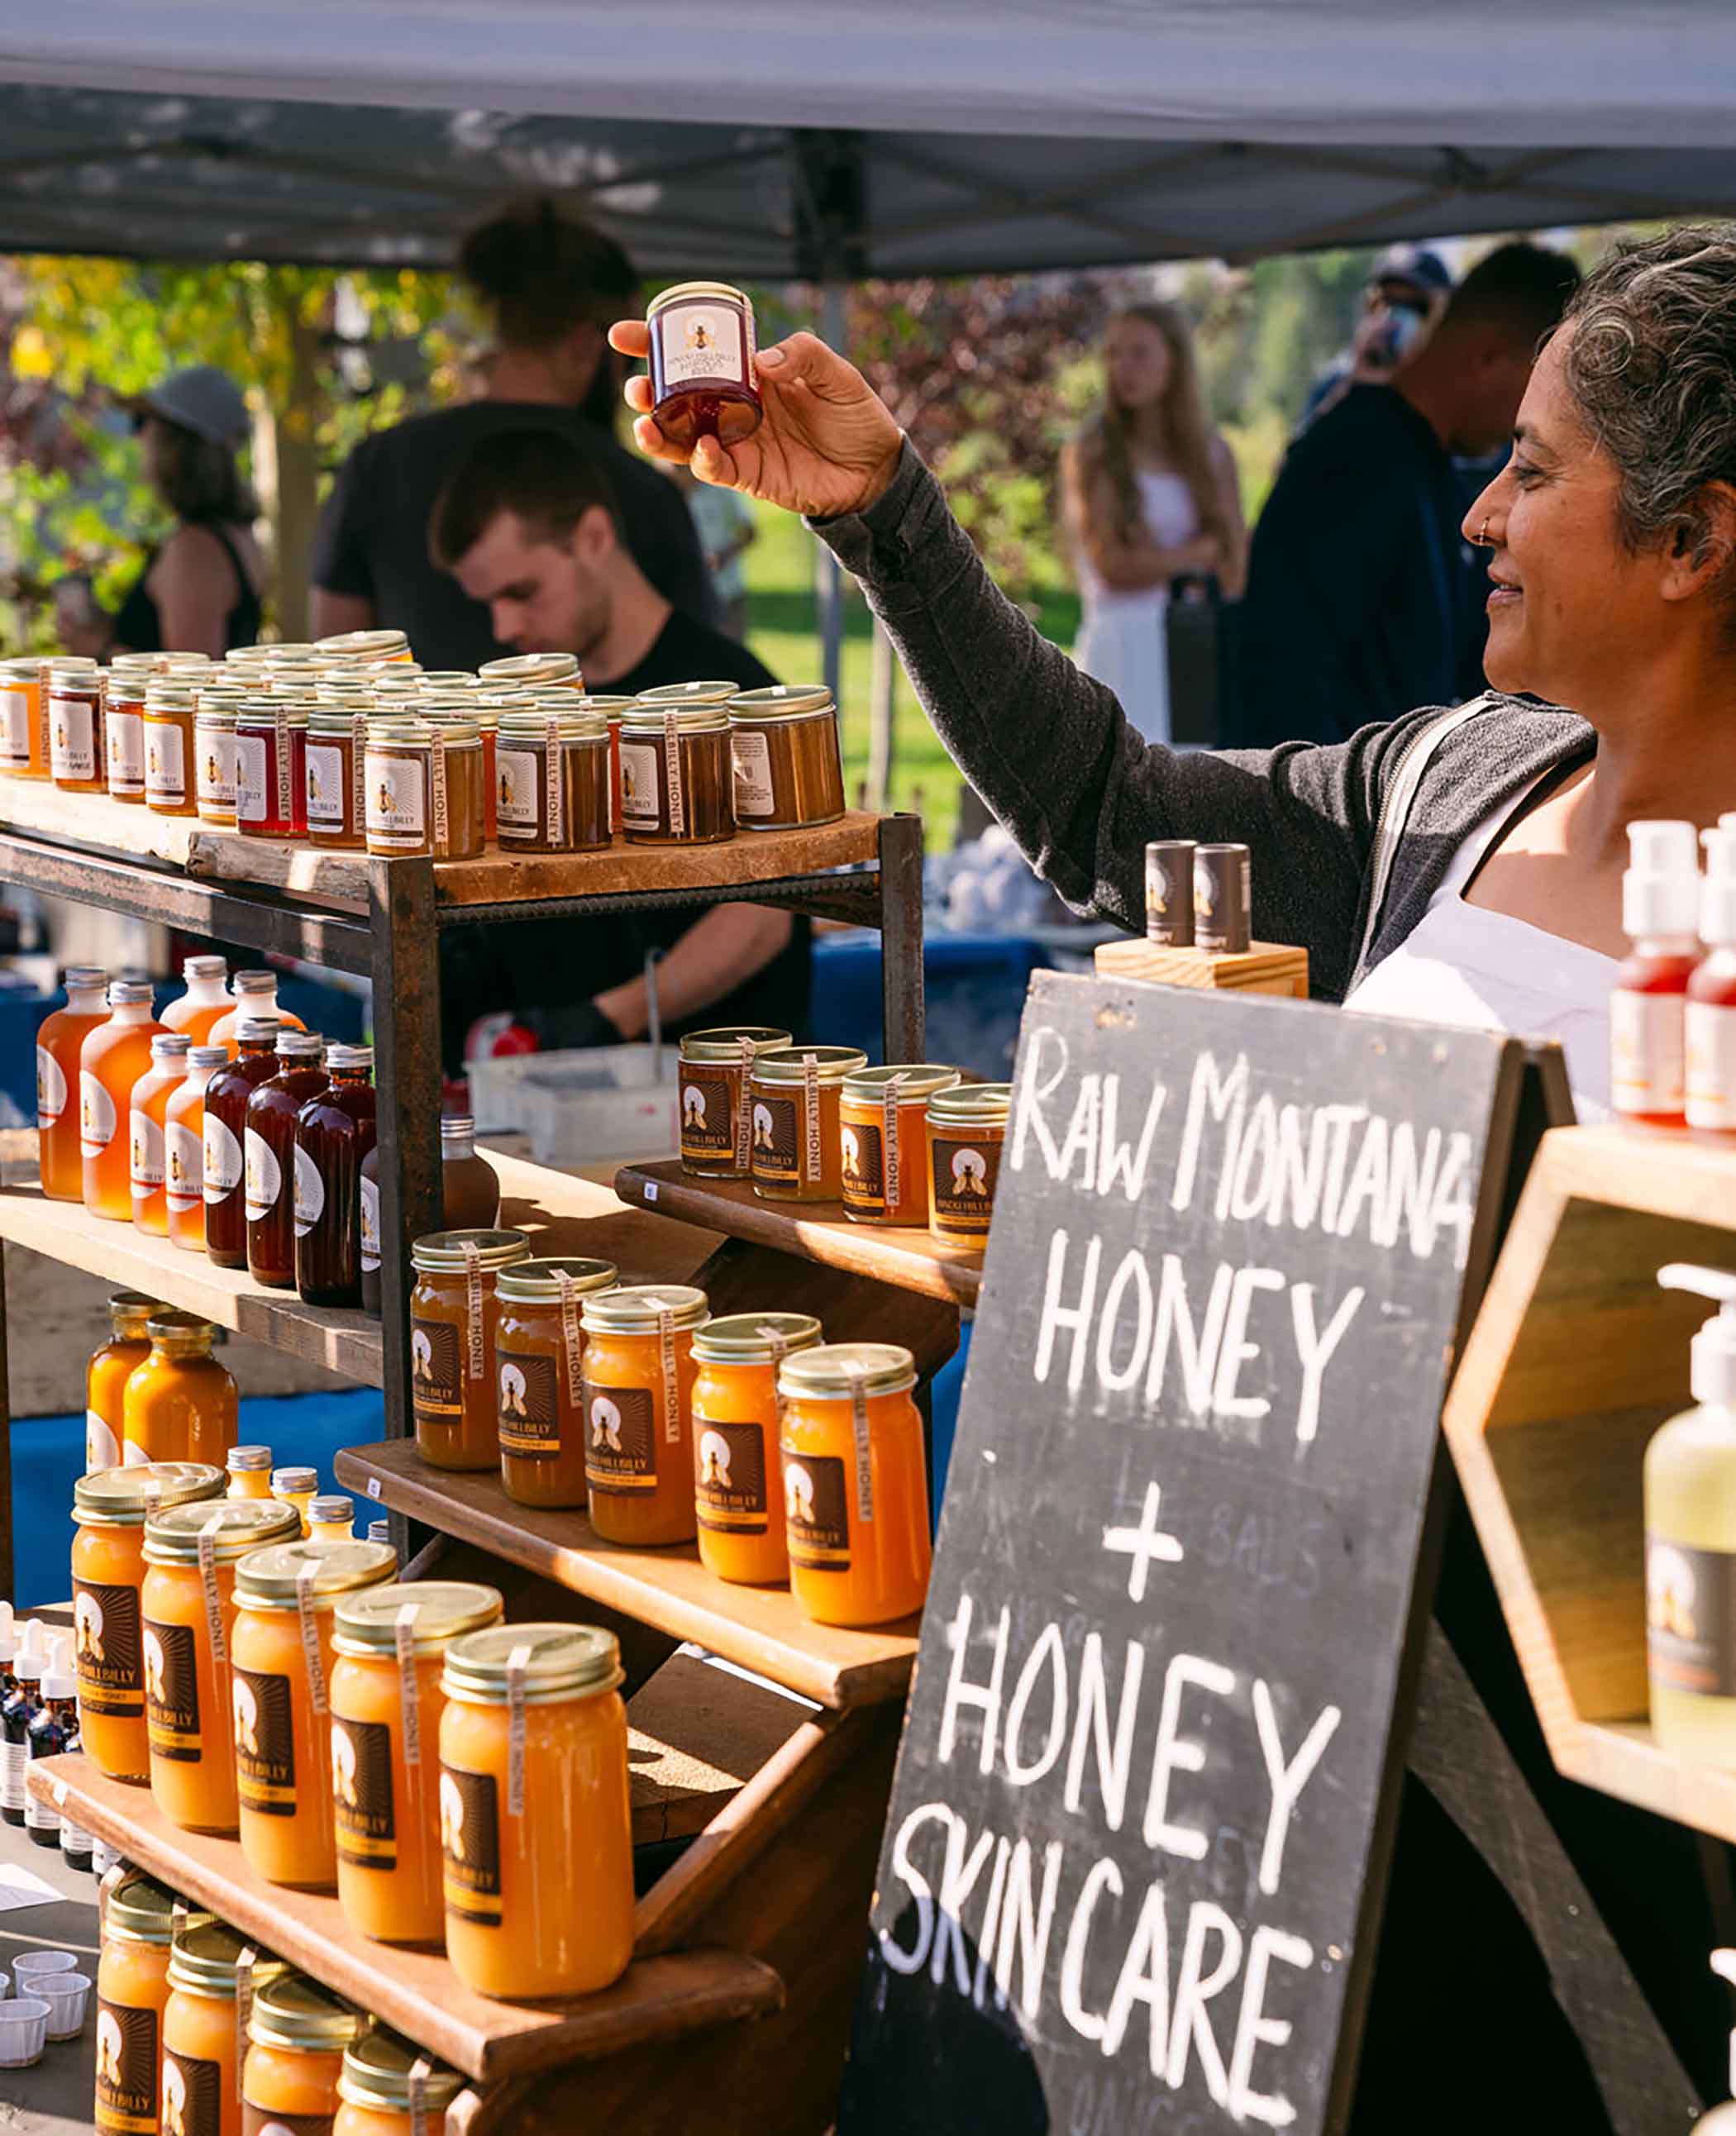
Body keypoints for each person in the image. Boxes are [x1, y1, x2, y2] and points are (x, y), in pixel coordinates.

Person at [607, 226, 1736, 2124]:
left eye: (1534, 473)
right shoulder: (1462, 782)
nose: (1478, 516)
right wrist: (881, 516)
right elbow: (1107, 811)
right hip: (1277, 1745)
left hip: (1598, 1807)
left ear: (1695, 539)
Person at [427, 425, 808, 1067]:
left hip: (706, 1088)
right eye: (487, 602)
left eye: (521, 592)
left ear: (594, 537)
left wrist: (609, 1018)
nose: (504, 625)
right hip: (540, 1088)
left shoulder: (727, 693)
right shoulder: (516, 713)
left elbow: (765, 916)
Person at [310, 195, 713, 667]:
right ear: (587, 344)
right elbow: (693, 667)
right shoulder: (644, 491)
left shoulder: (379, 464)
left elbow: (336, 658)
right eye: (625, 360)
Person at [1236, 241, 1580, 749]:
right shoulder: (1354, 460)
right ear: (1486, 357)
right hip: (1338, 785)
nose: (1534, 419)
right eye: (1536, 390)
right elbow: (1285, 667)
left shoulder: (1428, 466)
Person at [1060, 301, 1246, 745]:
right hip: (1121, 646)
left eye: (1140, 353)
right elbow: (1113, 566)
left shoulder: (1212, 454)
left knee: (1196, 771)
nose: (1123, 368)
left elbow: (1234, 571)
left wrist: (1159, 559)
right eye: (1114, 354)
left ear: (1174, 361)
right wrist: (1196, 554)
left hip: (1192, 644)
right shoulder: (1094, 452)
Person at [107, 367, 265, 658]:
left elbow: (192, 677)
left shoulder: (195, 550)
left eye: (143, 421)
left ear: (176, 442)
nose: (137, 435)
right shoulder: (228, 534)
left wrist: (98, 650)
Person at [1297, 242, 1454, 433]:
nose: (1395, 317)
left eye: (1415, 306)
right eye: (1385, 303)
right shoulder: (1341, 381)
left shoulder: (1458, 387)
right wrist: (1354, 388)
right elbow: (1304, 448)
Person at [673, 465, 758, 640]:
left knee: (732, 650)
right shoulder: (662, 492)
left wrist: (724, 555)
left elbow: (750, 532)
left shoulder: (722, 487)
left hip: (727, 592)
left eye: (678, 468)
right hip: (687, 598)